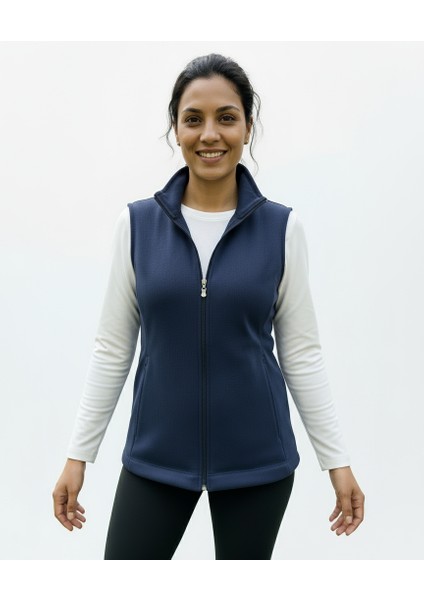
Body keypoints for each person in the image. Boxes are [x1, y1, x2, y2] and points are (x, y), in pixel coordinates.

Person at [52, 53, 365, 559]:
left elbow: (302, 353)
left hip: (257, 463)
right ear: (176, 129)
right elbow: (112, 348)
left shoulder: (282, 229)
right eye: (193, 119)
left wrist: (337, 461)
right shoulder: (137, 226)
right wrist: (78, 455)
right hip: (156, 458)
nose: (210, 134)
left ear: (247, 127)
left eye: (227, 117)